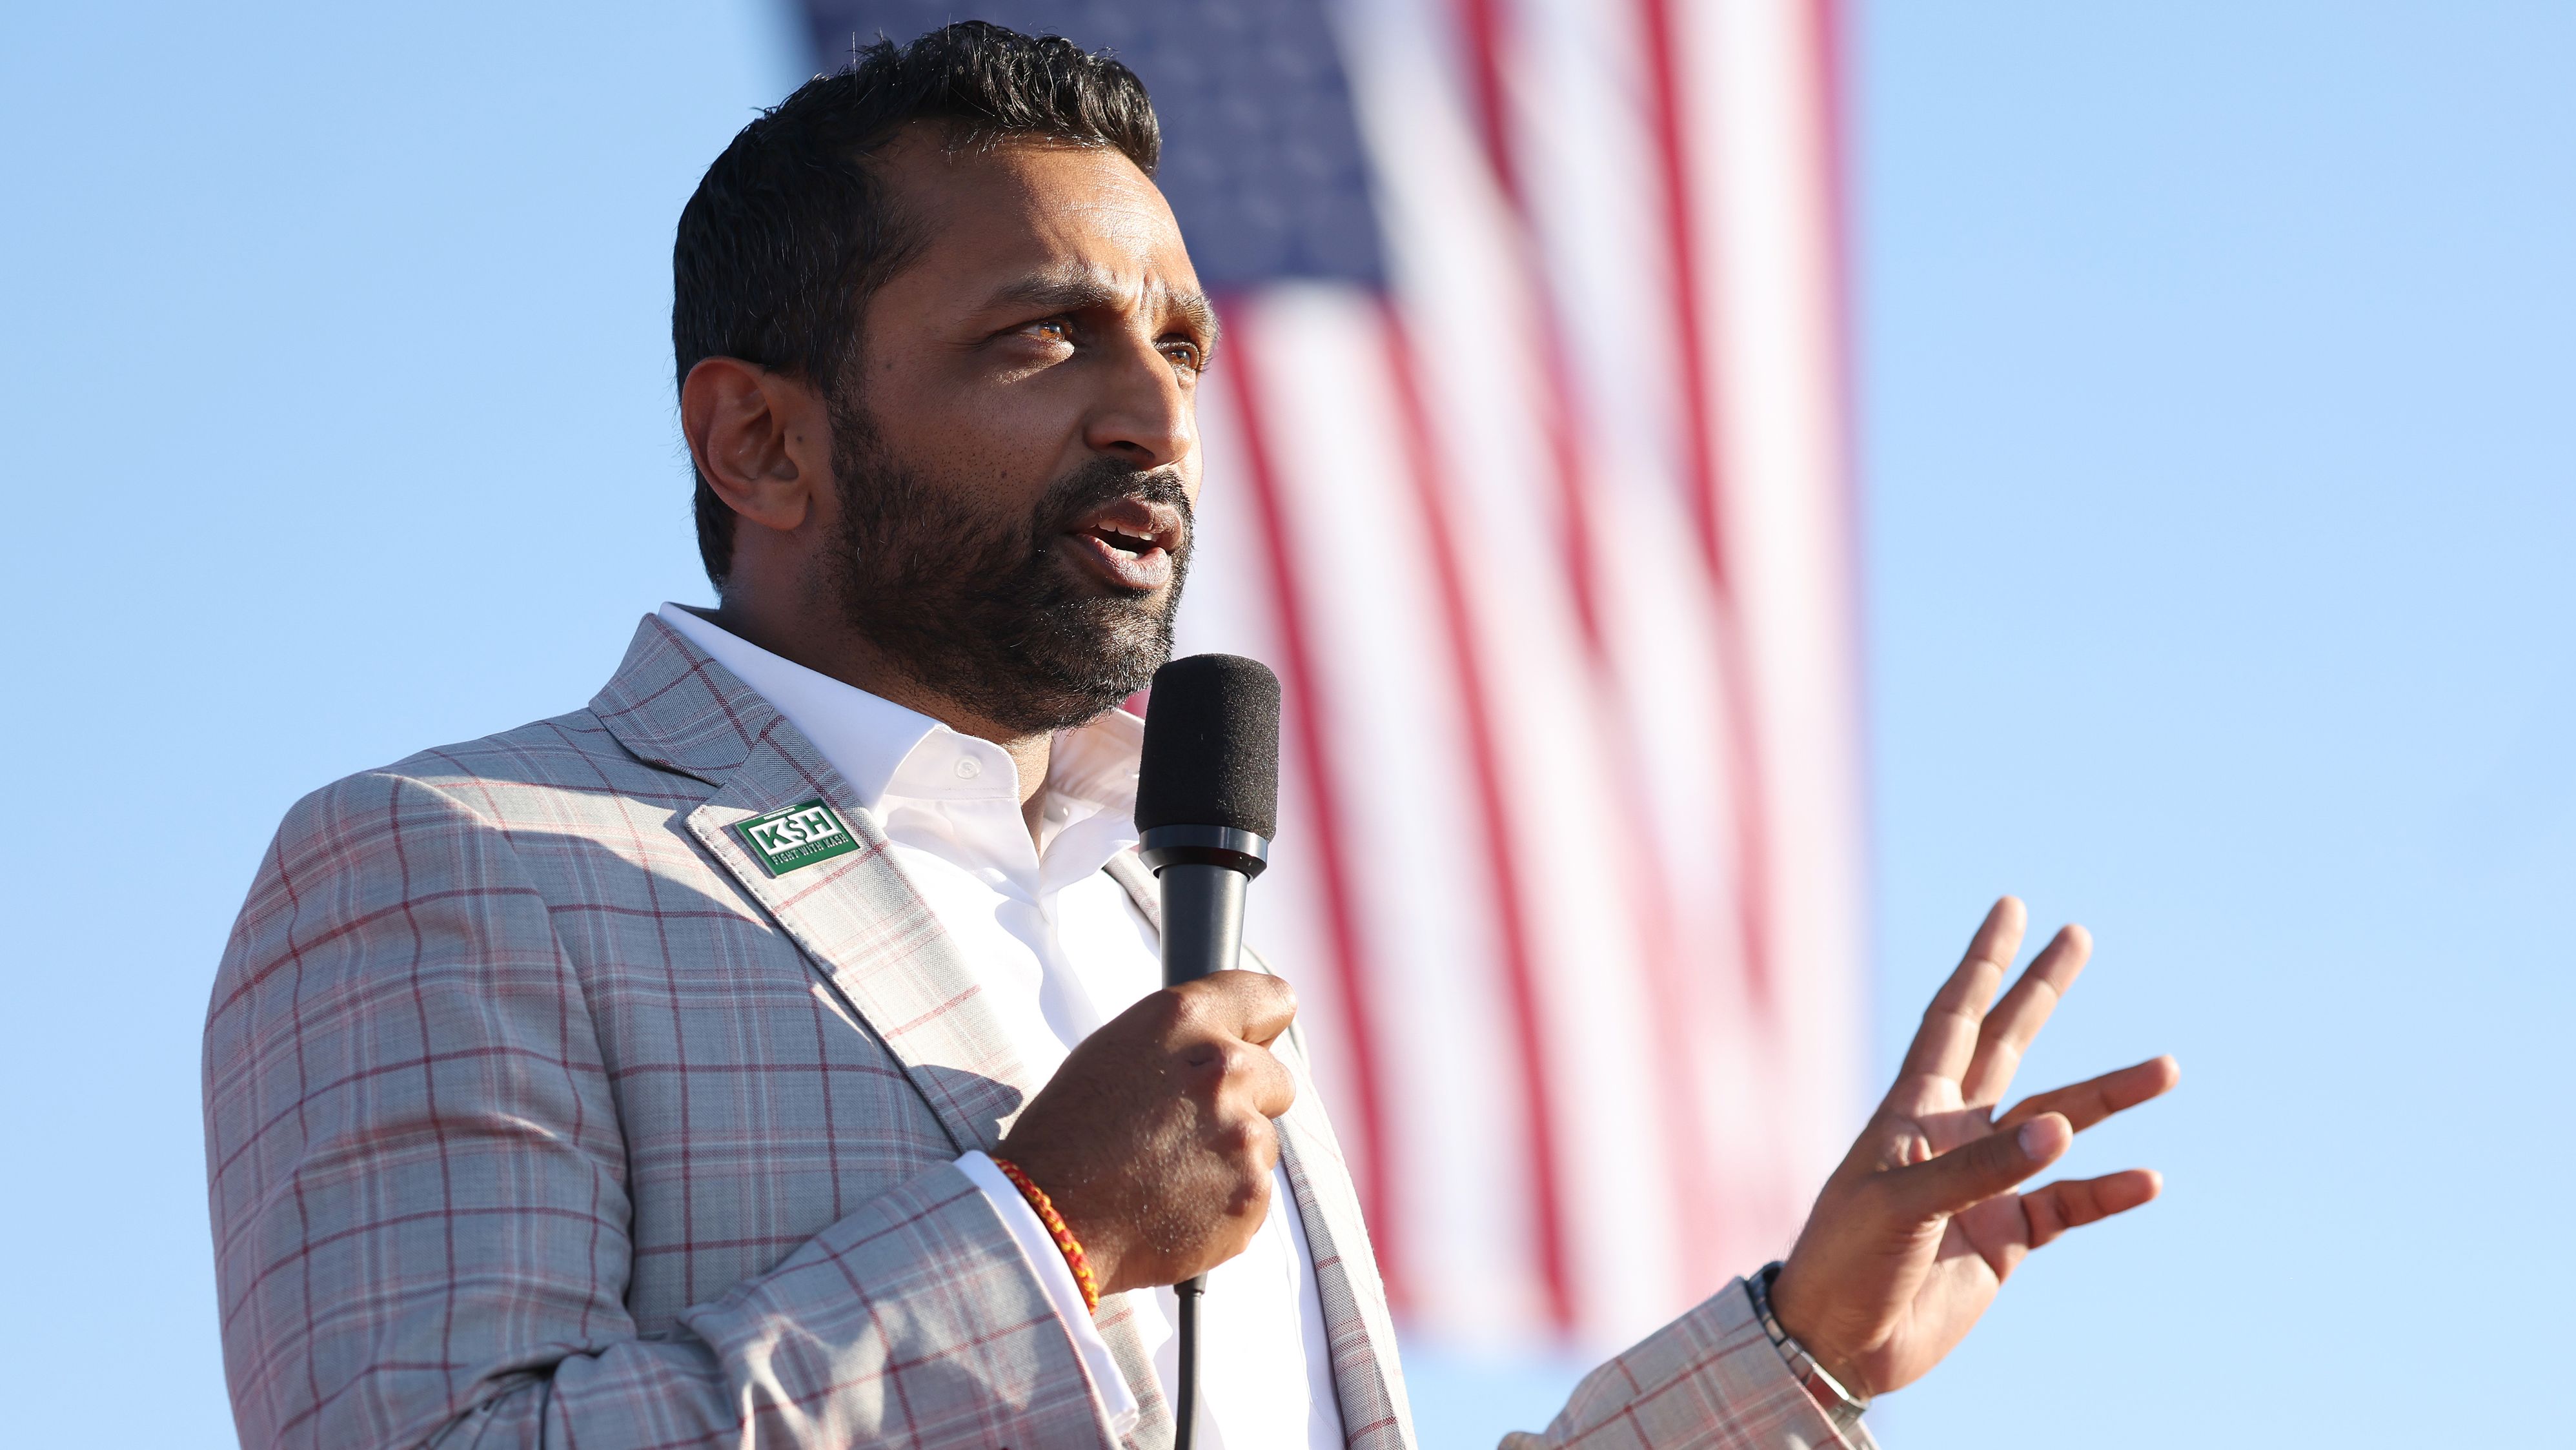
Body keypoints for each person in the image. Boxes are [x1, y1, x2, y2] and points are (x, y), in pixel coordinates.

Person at [201, 23, 2178, 1450]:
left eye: (1181, 345)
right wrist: (1041, 1237)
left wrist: (1793, 1353)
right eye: (1042, 336)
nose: (1155, 414)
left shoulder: (1158, 919)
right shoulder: (456, 863)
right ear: (761, 438)